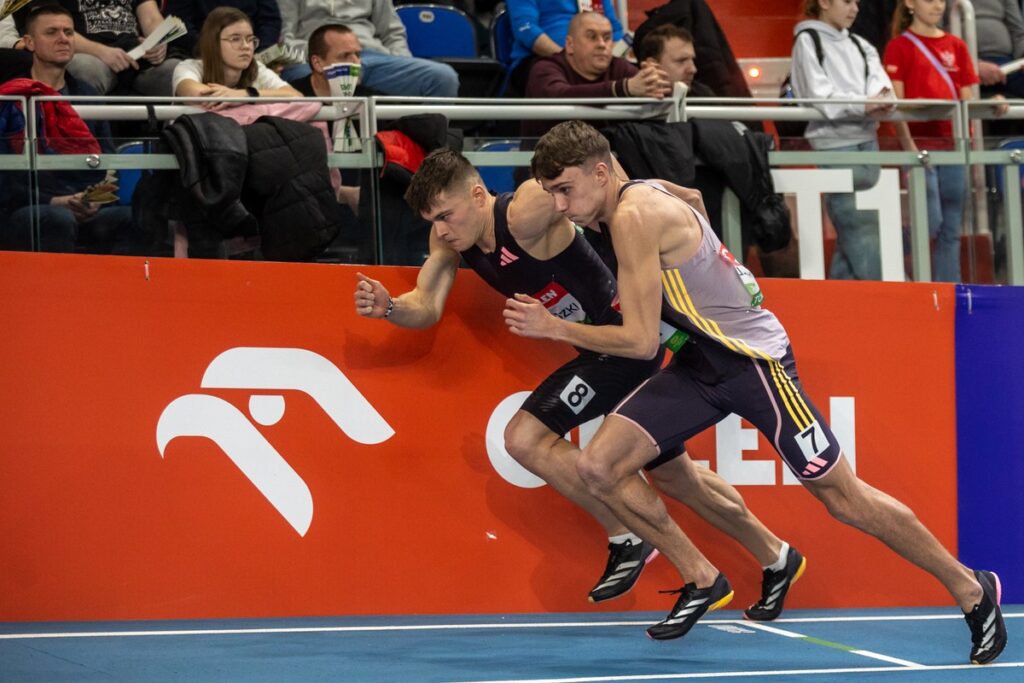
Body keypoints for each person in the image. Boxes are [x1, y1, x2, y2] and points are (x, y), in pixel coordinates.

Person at [517, 120, 1006, 663]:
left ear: (601, 173)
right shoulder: (643, 194)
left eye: (565, 190)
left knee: (843, 498)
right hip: (702, 363)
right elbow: (696, 198)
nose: (561, 206)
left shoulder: (633, 214)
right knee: (598, 467)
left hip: (756, 365)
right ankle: (702, 578)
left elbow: (636, 340)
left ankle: (970, 586)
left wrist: (556, 327)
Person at [354, 148, 807, 616]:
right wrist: (389, 308)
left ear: (476, 193)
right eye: (433, 220)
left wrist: (652, 202)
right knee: (679, 477)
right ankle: (777, 555)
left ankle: (629, 533)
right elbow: (425, 305)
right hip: (600, 349)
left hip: (628, 343)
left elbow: (603, 175)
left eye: (446, 215)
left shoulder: (529, 207)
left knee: (525, 437)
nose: (442, 229)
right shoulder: (449, 239)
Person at [0, 4, 136, 254]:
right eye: (52, 32)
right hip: (25, 206)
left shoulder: (88, 95)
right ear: (29, 42)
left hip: (82, 204)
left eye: (69, 32)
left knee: (132, 217)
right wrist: (53, 201)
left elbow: (107, 159)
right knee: (55, 218)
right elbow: (4, 179)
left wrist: (94, 198)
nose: (63, 39)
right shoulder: (9, 97)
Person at [883, 0, 999, 282]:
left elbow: (967, 100)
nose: (938, 6)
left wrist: (991, 104)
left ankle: (948, 288)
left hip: (954, 147)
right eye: (929, 0)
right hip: (921, 149)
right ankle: (902, 266)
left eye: (941, 0)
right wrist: (909, 148)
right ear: (910, 3)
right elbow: (896, 105)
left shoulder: (956, 46)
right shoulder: (899, 46)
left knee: (950, 228)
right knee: (930, 221)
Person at [791, 0, 895, 280]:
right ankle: (880, 297)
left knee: (853, 237)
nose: (856, 8)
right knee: (860, 231)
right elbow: (819, 96)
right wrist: (864, 104)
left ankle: (844, 306)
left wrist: (875, 102)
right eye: (847, 1)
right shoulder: (807, 40)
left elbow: (885, 91)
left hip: (867, 144)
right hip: (834, 146)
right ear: (823, 2)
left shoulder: (862, 45)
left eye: (857, 2)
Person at [523, 12, 670, 138]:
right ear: (570, 44)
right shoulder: (544, 68)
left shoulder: (618, 67)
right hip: (548, 165)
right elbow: (560, 95)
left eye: (607, 38)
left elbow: (655, 92)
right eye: (592, 37)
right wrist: (624, 88)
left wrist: (654, 80)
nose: (602, 44)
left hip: (606, 165)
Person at [279, 0, 459, 97]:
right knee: (294, 78)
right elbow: (285, 37)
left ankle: (425, 156)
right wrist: (317, 58)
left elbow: (392, 32)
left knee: (443, 78)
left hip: (371, 56)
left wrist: (400, 61)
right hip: (317, 57)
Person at [173, 7, 301, 110]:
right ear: (214, 43)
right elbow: (204, 97)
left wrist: (244, 94)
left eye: (250, 39)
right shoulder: (187, 67)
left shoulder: (256, 68)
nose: (246, 46)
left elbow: (296, 96)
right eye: (235, 39)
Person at [60, 0, 180, 96]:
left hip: (137, 56)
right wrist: (100, 51)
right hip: (92, 55)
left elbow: (152, 18)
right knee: (84, 68)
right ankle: (91, 127)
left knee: (179, 71)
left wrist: (158, 40)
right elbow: (54, 28)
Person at [505, 0, 626, 93]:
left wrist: (602, 59)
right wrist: (567, 59)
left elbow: (615, 31)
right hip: (541, 59)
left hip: (593, 62)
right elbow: (526, 30)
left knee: (632, 79)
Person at [165, 0, 282, 60]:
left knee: (299, 73)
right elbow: (179, 23)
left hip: (252, 52)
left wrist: (260, 53)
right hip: (200, 53)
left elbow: (270, 21)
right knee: (169, 71)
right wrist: (214, 51)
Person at [635, 24, 706, 95]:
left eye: (692, 60)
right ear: (652, 65)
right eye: (681, 61)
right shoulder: (629, 102)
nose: (693, 69)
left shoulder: (704, 97)